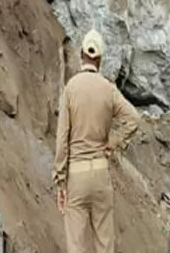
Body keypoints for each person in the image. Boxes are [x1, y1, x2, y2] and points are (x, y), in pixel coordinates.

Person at [53, 30, 141, 253]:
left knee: (76, 245)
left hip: (76, 176)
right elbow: (134, 118)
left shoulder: (71, 89)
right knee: (104, 245)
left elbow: (62, 138)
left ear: (82, 54)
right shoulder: (109, 90)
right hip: (101, 174)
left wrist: (60, 181)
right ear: (100, 59)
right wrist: (113, 141)